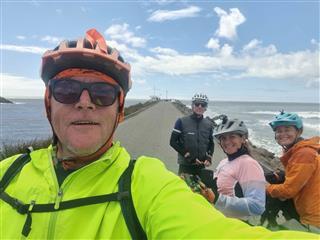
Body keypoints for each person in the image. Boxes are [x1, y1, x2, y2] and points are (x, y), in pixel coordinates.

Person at [0, 29, 317, 239]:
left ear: (120, 110)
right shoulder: (7, 173)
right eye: (67, 90)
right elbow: (173, 140)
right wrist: (187, 155)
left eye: (102, 93)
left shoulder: (146, 184)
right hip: (184, 161)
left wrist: (206, 154)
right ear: (48, 103)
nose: (85, 103)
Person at [266, 111, 320, 233]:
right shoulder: (298, 151)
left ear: (299, 131)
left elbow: (288, 191)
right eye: (279, 131)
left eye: (287, 129)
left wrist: (267, 187)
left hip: (315, 218)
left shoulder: (304, 154)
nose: (282, 134)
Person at [212, 118, 266, 222]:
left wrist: (217, 199)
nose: (227, 142)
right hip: (220, 219)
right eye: (223, 138)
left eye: (232, 136)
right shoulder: (224, 162)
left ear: (242, 138)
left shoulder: (249, 164)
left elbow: (257, 206)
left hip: (237, 225)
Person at [170, 93, 214, 176]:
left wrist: (209, 157)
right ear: (192, 105)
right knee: (183, 188)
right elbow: (172, 142)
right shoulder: (181, 121)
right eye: (197, 104)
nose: (200, 106)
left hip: (201, 165)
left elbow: (211, 143)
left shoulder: (209, 124)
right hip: (185, 165)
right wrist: (188, 156)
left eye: (203, 104)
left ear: (206, 108)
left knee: (201, 188)